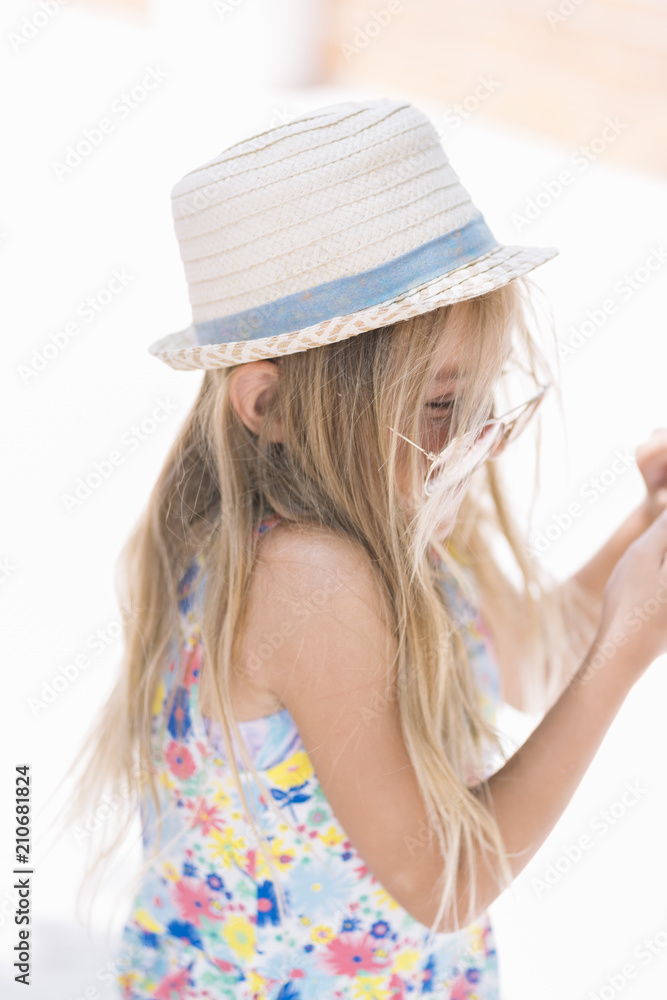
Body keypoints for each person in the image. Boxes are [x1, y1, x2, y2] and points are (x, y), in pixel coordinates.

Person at [64, 98, 667, 999]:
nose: (479, 440)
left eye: (483, 395)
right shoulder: (306, 579)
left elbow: (531, 664)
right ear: (269, 406)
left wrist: (643, 528)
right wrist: (626, 647)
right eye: (441, 404)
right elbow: (442, 881)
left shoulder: (401, 508)